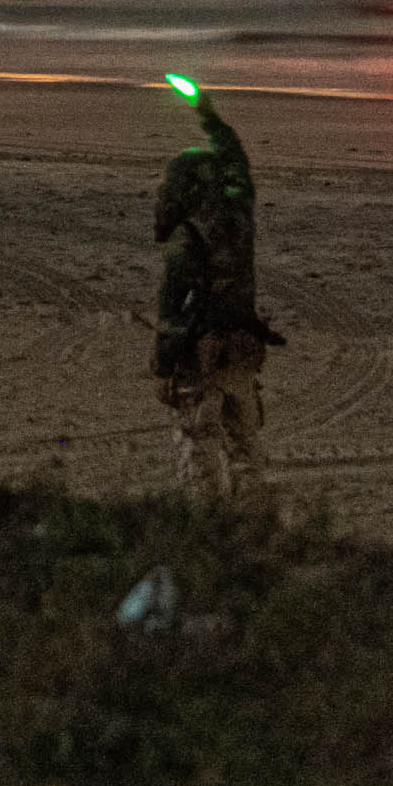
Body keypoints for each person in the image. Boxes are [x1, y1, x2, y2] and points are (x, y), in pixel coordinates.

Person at [151, 77, 282, 500]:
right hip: (242, 352)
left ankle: (210, 529)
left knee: (200, 450)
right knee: (247, 449)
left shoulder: (185, 240)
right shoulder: (238, 217)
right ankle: (252, 523)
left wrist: (162, 369)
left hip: (200, 360)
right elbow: (235, 158)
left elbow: (172, 317)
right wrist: (204, 110)